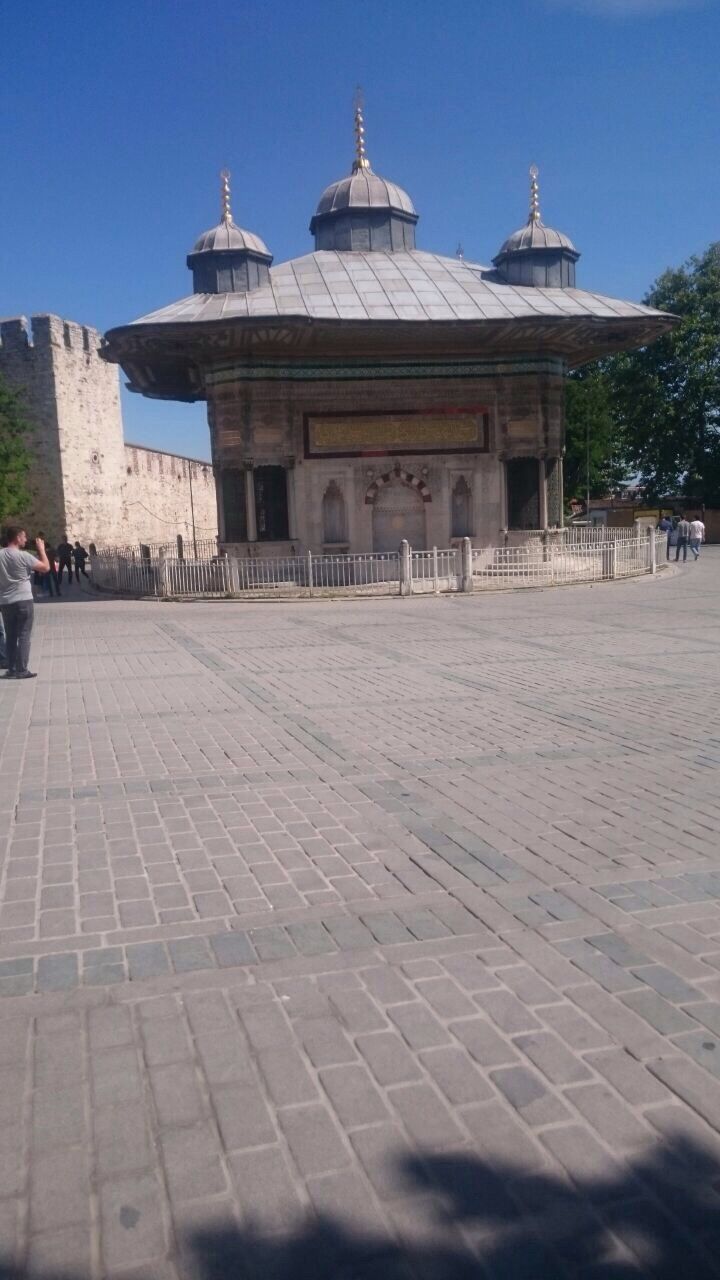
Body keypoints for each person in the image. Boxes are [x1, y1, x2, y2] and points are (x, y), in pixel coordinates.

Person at [0, 525, 50, 679]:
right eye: (24, 537)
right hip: (23, 599)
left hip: (6, 601)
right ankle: (21, 669)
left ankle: (11, 668)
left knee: (10, 635)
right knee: (24, 634)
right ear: (17, 538)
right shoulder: (24, 556)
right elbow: (45, 568)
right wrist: (41, 549)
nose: (26, 539)